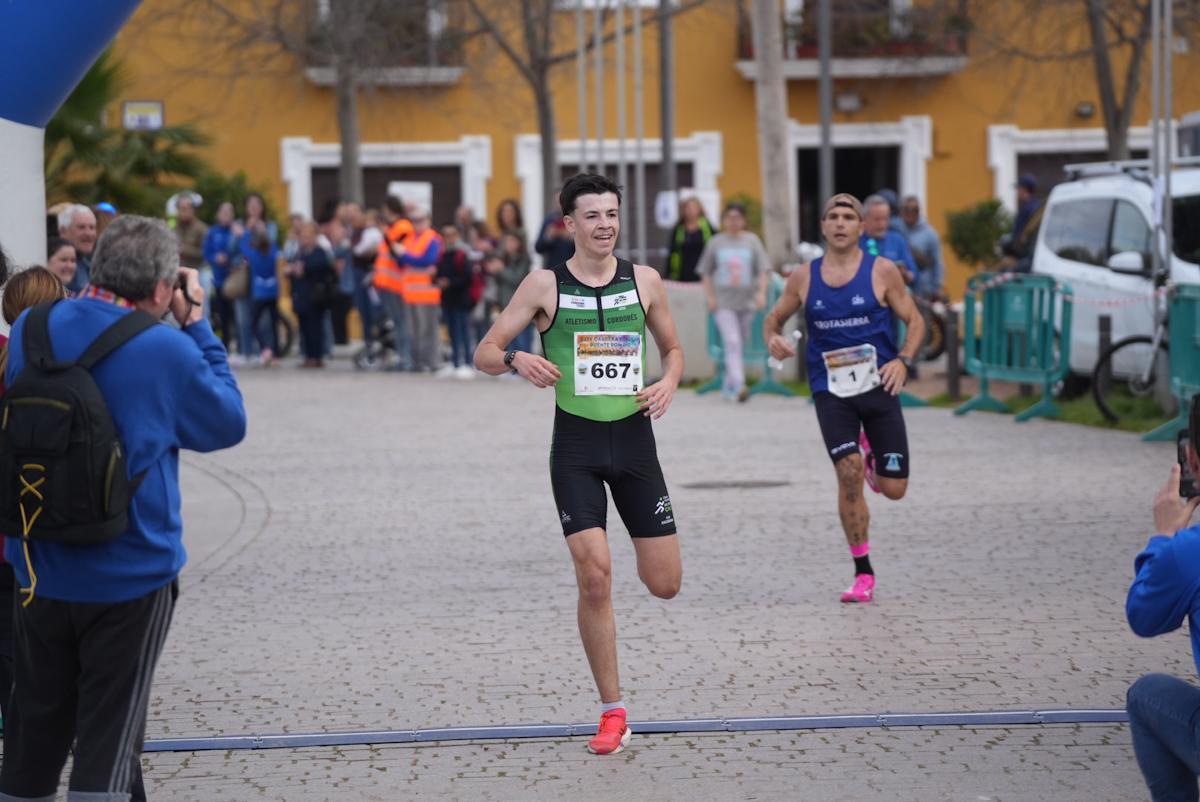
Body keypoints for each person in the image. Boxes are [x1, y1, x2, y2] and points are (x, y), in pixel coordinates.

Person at [0, 215, 245, 802]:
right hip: (129, 572)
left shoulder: (33, 328)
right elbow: (226, 422)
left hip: (38, 564)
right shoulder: (164, 347)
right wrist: (200, 328)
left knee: (33, 738)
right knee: (107, 745)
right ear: (163, 288)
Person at [474, 173, 684, 756]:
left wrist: (668, 381)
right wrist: (518, 359)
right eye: (592, 215)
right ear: (569, 224)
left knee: (664, 584)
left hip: (636, 445)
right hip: (576, 449)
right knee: (595, 574)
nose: (605, 225)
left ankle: (618, 685)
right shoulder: (545, 285)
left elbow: (673, 349)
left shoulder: (644, 281)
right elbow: (484, 350)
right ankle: (613, 710)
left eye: (612, 214)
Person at [764, 193, 925, 604]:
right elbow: (773, 318)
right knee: (848, 470)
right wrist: (774, 340)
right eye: (832, 216)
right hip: (830, 389)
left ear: (860, 227)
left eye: (848, 217)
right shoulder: (804, 276)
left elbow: (915, 320)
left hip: (879, 386)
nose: (840, 223)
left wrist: (903, 361)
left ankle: (874, 457)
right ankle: (863, 572)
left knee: (894, 489)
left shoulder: (883, 271)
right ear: (822, 227)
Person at [1126, 394, 1200, 802]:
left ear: (1191, 459)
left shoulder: (1187, 552)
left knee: (1145, 695)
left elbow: (1143, 616)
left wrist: (1163, 537)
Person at [696, 203, 770, 402]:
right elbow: (706, 272)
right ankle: (739, 385)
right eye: (729, 218)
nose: (734, 222)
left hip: (747, 302)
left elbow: (763, 270)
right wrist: (710, 298)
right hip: (723, 303)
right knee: (732, 341)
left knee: (739, 344)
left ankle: (729, 386)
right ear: (724, 220)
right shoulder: (716, 242)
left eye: (737, 218)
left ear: (744, 220)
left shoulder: (752, 241)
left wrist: (762, 294)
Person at [396, 206, 443, 373]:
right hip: (410, 293)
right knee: (413, 331)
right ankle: (418, 362)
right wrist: (406, 258)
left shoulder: (433, 239)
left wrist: (406, 256)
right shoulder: (408, 239)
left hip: (427, 293)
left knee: (428, 331)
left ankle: (432, 361)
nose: (417, 224)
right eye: (414, 221)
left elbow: (428, 260)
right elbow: (400, 262)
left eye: (420, 220)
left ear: (428, 220)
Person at [286, 220, 336, 368]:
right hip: (301, 296)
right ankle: (307, 355)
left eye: (307, 236)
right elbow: (293, 268)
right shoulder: (299, 252)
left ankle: (317, 356)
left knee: (315, 328)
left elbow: (320, 266)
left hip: (315, 296)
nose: (304, 239)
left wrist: (303, 268)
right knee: (304, 327)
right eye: (302, 236)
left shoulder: (319, 252)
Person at [374, 196, 416, 370]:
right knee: (397, 323)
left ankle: (405, 358)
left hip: (396, 284)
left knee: (401, 323)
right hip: (386, 283)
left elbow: (397, 251)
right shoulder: (393, 228)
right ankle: (401, 357)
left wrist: (385, 234)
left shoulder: (403, 226)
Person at [436, 225, 475, 379]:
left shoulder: (462, 254)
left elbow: (468, 277)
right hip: (447, 300)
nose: (449, 238)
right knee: (452, 331)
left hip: (461, 299)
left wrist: (450, 283)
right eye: (445, 235)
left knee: (463, 330)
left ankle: (467, 362)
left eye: (452, 234)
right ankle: (455, 362)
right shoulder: (443, 254)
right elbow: (439, 273)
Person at [489, 231, 534, 354]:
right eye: (507, 241)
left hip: (521, 304)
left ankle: (525, 368)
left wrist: (501, 269)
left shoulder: (524, 258)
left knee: (522, 338)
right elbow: (498, 282)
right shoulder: (503, 257)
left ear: (519, 243)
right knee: (509, 337)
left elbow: (517, 278)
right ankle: (513, 367)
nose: (509, 244)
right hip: (505, 303)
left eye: (512, 241)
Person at [204, 201, 239, 351]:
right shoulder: (213, 232)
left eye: (229, 212)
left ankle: (240, 346)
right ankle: (225, 346)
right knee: (222, 315)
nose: (226, 215)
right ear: (218, 215)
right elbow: (206, 253)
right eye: (223, 212)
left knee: (236, 315)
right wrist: (215, 258)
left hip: (235, 280)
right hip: (218, 280)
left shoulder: (237, 232)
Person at [245, 222, 281, 365]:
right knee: (274, 324)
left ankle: (265, 348)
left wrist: (248, 232)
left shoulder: (253, 254)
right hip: (273, 291)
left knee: (253, 322)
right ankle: (276, 354)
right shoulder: (274, 251)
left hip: (259, 293)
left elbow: (244, 247)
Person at [861, 194, 917, 286]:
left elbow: (914, 275)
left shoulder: (898, 240)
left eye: (885, 219)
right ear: (865, 219)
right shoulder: (855, 241)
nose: (882, 224)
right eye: (877, 219)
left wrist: (905, 274)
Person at [898, 195, 945, 300]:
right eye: (905, 209)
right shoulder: (897, 230)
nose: (908, 213)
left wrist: (937, 288)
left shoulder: (930, 234)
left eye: (912, 210)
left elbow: (937, 262)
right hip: (901, 287)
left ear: (918, 211)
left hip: (924, 289)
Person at [348, 204, 382, 342]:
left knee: (374, 308)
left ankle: (376, 339)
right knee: (363, 309)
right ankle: (368, 339)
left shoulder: (372, 232)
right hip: (360, 272)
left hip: (371, 273)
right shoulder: (356, 231)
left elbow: (362, 250)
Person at [1000, 173, 1044, 273]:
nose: (1017, 192)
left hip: (1026, 257)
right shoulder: (1038, 205)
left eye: (1018, 189)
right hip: (1036, 254)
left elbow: (1017, 237)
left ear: (1024, 190)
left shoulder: (1026, 209)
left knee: (1005, 270)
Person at [665, 196, 714, 282]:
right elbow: (672, 251)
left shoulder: (707, 227)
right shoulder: (679, 228)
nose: (690, 211)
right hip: (682, 273)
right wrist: (668, 274)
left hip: (704, 273)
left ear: (699, 210)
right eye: (687, 208)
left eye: (693, 207)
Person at [57, 203, 97, 294]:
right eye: (81, 227)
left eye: (92, 227)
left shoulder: (95, 264)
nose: (88, 233)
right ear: (63, 231)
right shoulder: (52, 262)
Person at [534, 191, 576, 269]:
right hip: (553, 269)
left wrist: (574, 239)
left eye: (561, 201)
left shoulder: (576, 219)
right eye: (556, 201)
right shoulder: (549, 220)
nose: (559, 204)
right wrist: (548, 238)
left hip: (574, 268)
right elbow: (538, 248)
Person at [173, 194, 208, 270]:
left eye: (185, 209)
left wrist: (185, 250)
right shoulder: (175, 228)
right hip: (177, 269)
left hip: (197, 269)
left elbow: (206, 253)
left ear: (192, 210)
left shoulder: (202, 229)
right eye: (180, 209)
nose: (182, 212)